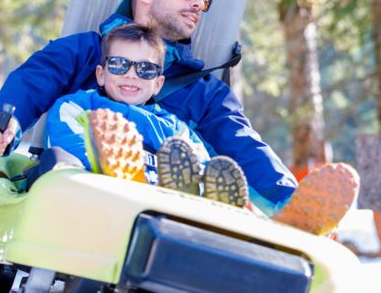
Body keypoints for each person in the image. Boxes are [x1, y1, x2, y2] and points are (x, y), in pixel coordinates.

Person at [0, 0, 358, 235]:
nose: (198, 3)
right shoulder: (87, 51)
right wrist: (5, 122)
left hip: (168, 218)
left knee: (204, 169)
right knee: (61, 158)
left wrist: (294, 205)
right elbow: (36, 79)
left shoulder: (203, 92)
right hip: (81, 203)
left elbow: (243, 146)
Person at [43, 22, 248, 206]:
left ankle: (207, 205)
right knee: (57, 159)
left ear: (158, 83)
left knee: (200, 173)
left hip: (161, 205)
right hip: (98, 196)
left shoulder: (173, 127)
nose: (131, 74)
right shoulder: (77, 107)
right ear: (101, 74)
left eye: (146, 69)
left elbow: (198, 162)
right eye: (119, 64)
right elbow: (69, 147)